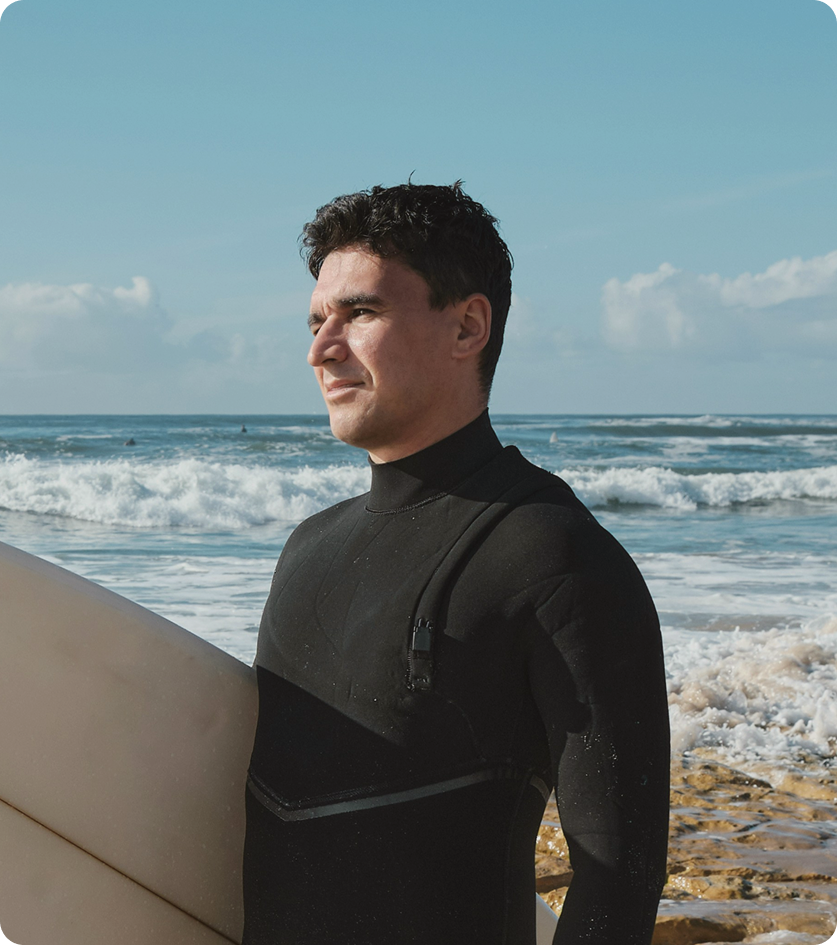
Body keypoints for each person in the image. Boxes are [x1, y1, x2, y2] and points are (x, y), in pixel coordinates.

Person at [243, 182, 670, 944]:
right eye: (315, 321)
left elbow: (618, 882)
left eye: (360, 313)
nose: (320, 348)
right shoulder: (306, 548)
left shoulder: (551, 554)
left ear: (468, 325)